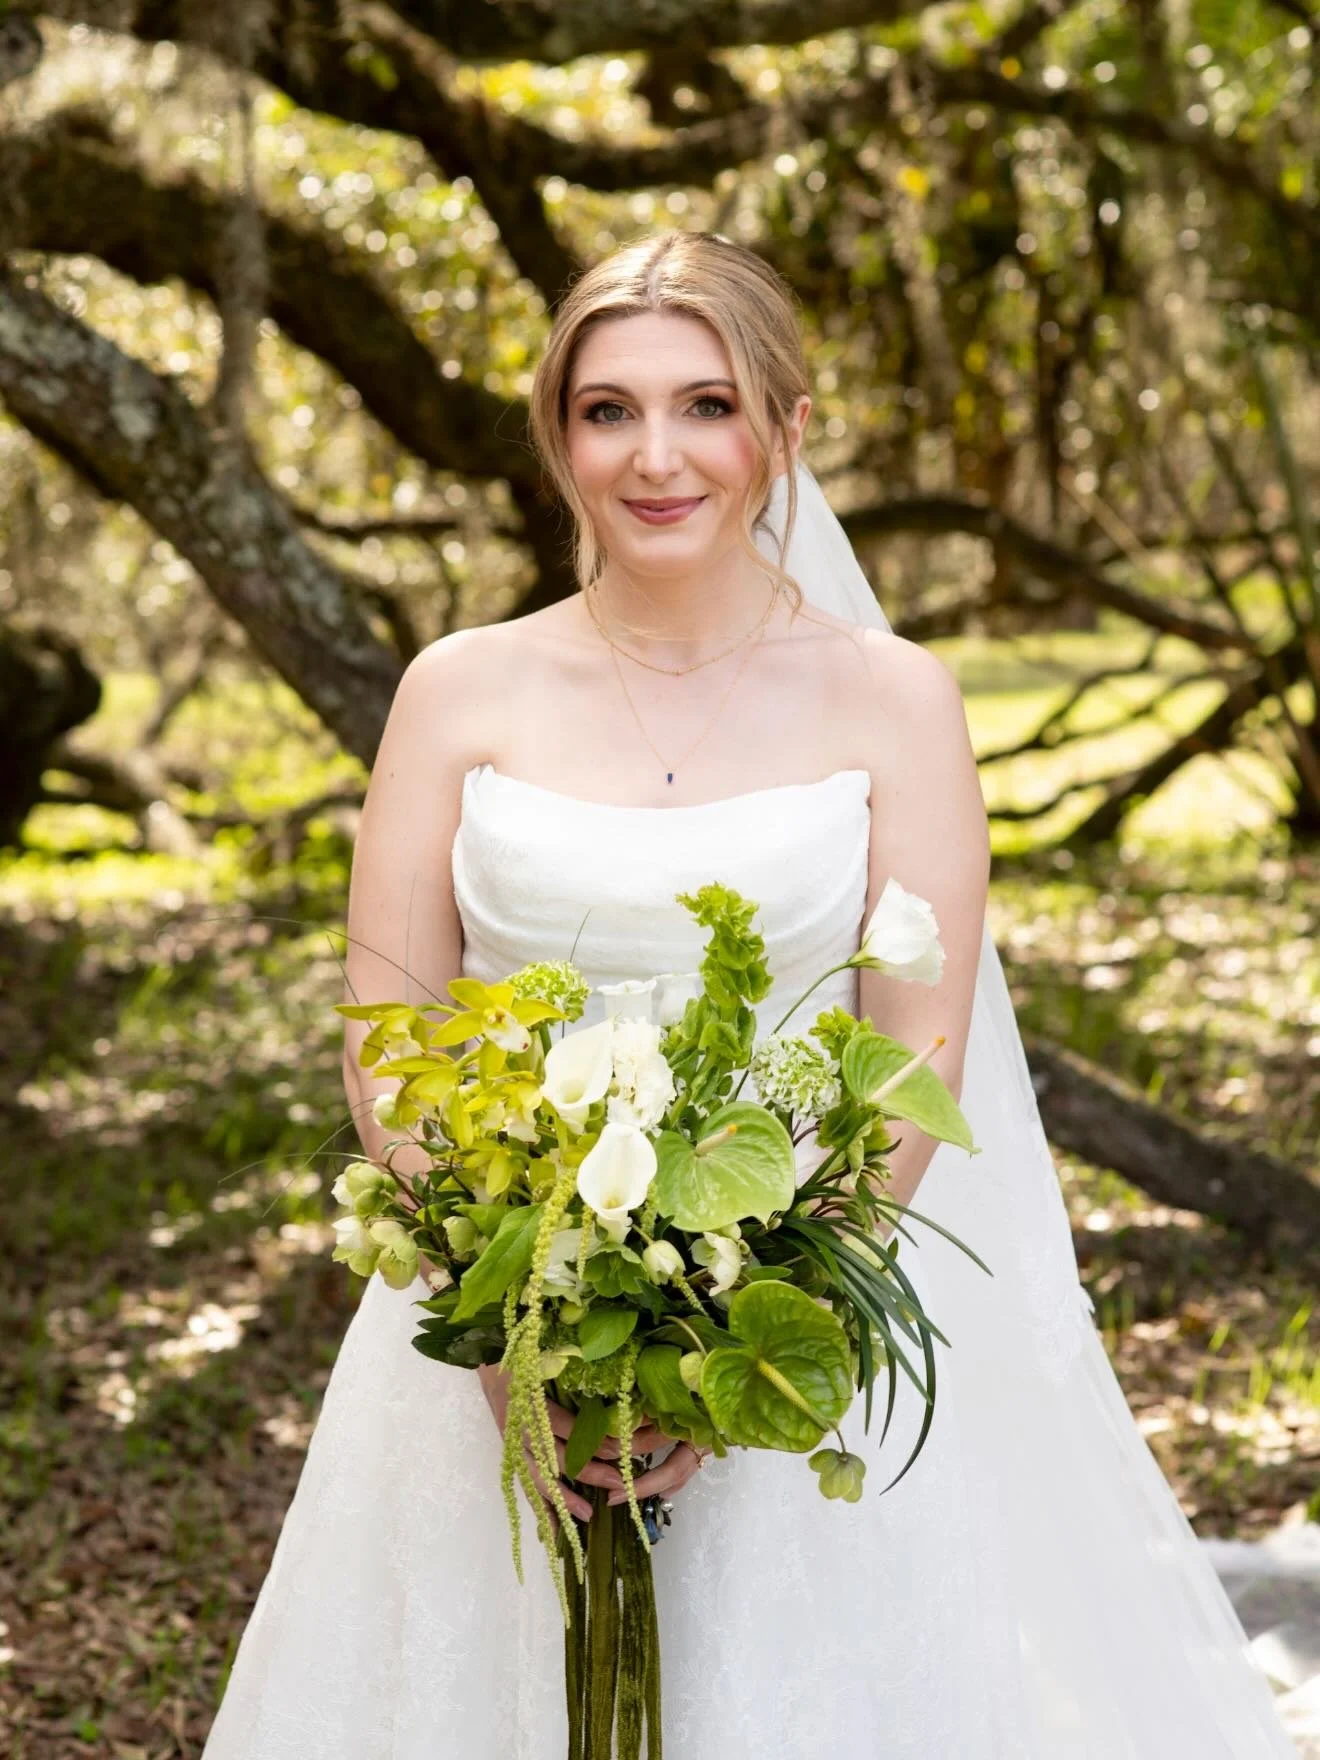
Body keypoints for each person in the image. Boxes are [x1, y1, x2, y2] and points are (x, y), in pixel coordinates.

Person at [201, 231, 1299, 1757]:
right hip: (494, 1333)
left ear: (785, 427)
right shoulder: (457, 690)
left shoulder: (893, 697)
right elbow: (389, 1034)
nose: (658, 457)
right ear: (556, 435)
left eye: (707, 405)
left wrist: (733, 1345)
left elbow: (916, 1049)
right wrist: (521, 1321)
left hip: (799, 1326)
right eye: (609, 410)